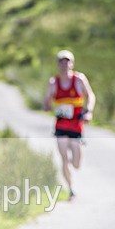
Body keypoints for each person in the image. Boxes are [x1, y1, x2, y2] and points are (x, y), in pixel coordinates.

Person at [43, 50, 96, 200]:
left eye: (67, 61)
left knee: (77, 163)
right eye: (61, 61)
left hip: (76, 126)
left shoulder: (79, 80)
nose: (64, 64)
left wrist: (89, 111)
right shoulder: (53, 83)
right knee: (64, 158)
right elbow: (47, 100)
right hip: (60, 126)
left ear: (72, 63)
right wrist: (46, 105)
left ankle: (74, 164)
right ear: (58, 64)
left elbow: (91, 95)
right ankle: (71, 188)